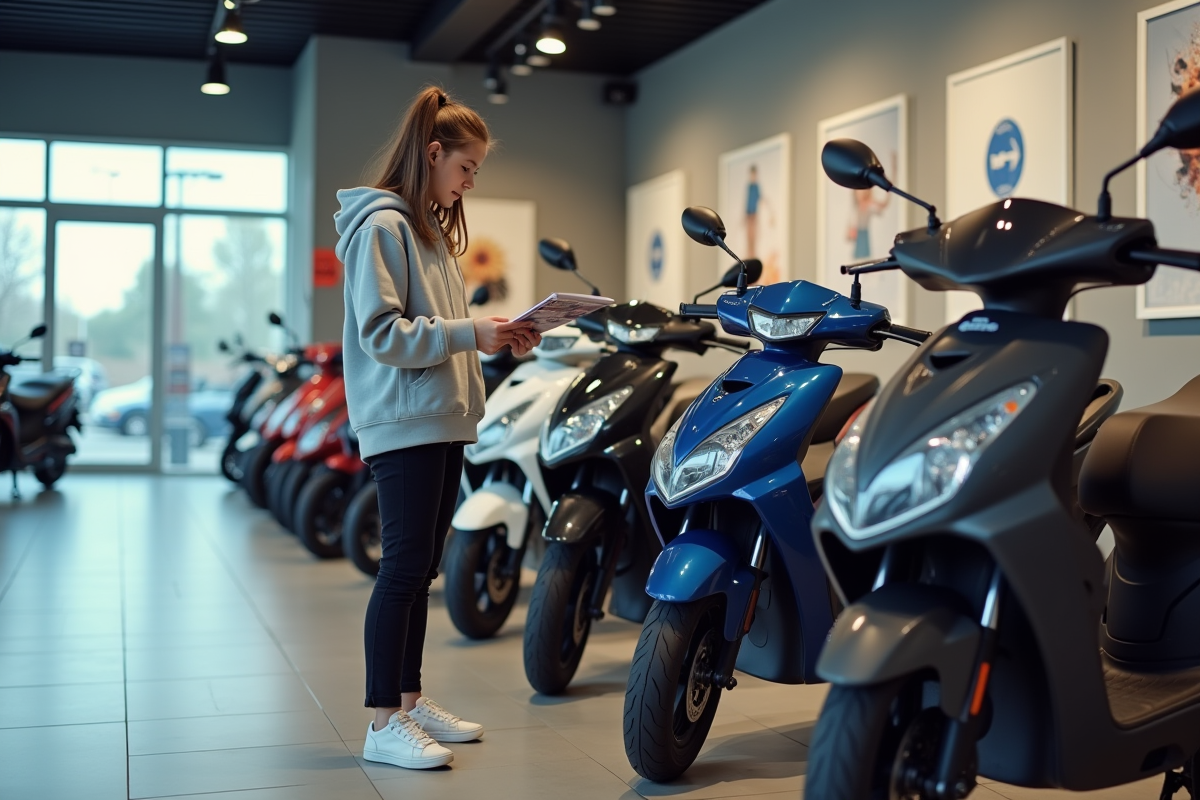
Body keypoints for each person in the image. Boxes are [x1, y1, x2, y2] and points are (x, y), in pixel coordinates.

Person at [334, 86, 540, 770]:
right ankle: (380, 721)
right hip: (404, 421)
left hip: (441, 420)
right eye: (467, 166)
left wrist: (489, 339)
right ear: (433, 154)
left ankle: (409, 699)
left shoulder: (427, 230)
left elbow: (442, 335)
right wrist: (470, 331)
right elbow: (381, 335)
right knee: (400, 569)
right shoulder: (382, 227)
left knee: (421, 568)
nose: (472, 180)